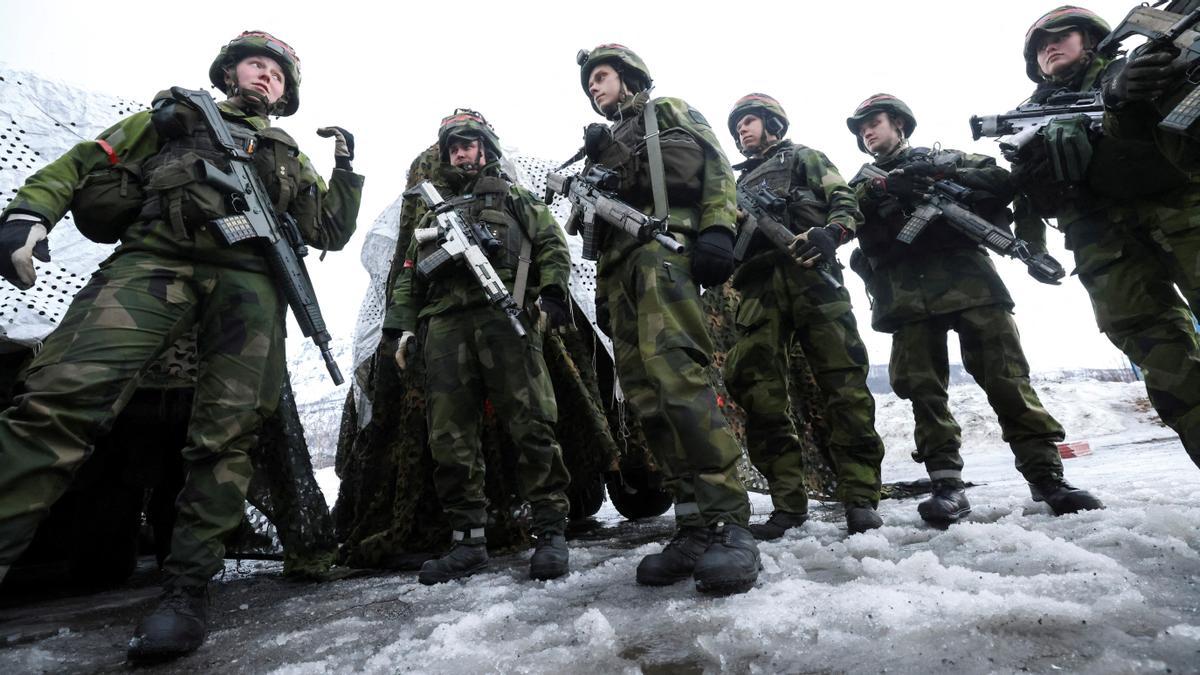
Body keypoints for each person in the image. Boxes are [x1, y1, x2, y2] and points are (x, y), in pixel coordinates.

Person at [0, 31, 362, 661]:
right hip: (154, 262)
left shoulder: (286, 150)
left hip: (250, 283)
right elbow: (88, 160)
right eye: (257, 65)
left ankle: (187, 586)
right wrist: (30, 214)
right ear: (230, 71)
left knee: (229, 432)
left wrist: (346, 169)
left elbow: (326, 227)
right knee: (58, 398)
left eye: (279, 75)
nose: (267, 77)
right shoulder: (177, 114)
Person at [846, 93, 1102, 525]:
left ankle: (1048, 479)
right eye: (862, 128)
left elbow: (1003, 181)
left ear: (900, 125)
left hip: (971, 284)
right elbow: (842, 212)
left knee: (1008, 380)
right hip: (905, 296)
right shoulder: (858, 182)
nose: (868, 132)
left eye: (875, 122)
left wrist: (940, 171)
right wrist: (883, 188)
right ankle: (947, 486)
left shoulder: (947, 157)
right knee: (924, 394)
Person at [573, 44, 759, 594]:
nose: (594, 89)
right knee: (647, 398)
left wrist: (719, 229)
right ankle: (694, 523)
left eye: (601, 78)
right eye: (589, 84)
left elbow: (717, 167)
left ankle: (729, 522)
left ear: (629, 76)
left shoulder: (670, 110)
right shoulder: (604, 146)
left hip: (665, 254)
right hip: (619, 274)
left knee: (680, 381)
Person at [383, 109, 574, 585]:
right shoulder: (430, 213)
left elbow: (551, 243)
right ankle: (467, 538)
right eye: (453, 147)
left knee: (532, 421)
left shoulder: (513, 197)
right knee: (449, 435)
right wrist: (400, 329)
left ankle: (550, 531)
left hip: (504, 317)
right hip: (444, 327)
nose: (461, 153)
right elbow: (409, 277)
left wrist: (551, 294)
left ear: (485, 149)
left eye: (468, 145)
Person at [1014, 6, 1200, 469]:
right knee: (1170, 371)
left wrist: (1124, 97)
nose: (1050, 46)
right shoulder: (1027, 118)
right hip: (1105, 250)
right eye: (1040, 45)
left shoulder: (1143, 64)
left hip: (1184, 217)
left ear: (1092, 39)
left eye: (1062, 36)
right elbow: (1025, 192)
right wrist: (1031, 247)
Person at [721, 93, 887, 538]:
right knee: (760, 394)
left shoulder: (804, 158)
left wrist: (832, 233)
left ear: (774, 124)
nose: (742, 130)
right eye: (738, 126)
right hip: (757, 289)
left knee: (843, 385)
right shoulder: (728, 185)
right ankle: (788, 503)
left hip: (814, 278)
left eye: (750, 122)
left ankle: (861, 497)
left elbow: (843, 199)